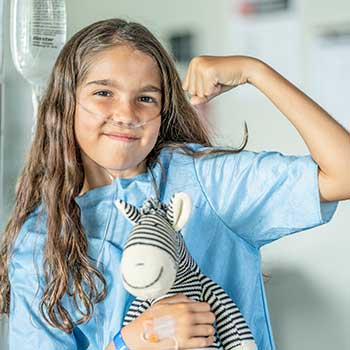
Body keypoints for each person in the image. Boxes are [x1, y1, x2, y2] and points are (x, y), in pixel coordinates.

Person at [0, 17, 348, 350]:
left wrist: (254, 71)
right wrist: (133, 342)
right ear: (66, 102)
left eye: (146, 98)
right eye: (103, 92)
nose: (126, 113)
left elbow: (343, 174)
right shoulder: (39, 241)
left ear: (163, 111)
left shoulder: (207, 182)